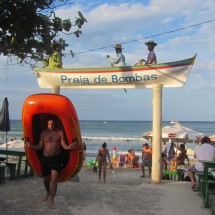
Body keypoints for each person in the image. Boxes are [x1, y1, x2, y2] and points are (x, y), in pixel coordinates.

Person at [25, 119, 77, 208]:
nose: (51, 126)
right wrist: (31, 145)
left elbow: (63, 145)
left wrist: (69, 147)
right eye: (49, 124)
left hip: (56, 159)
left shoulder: (59, 132)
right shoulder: (43, 133)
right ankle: (48, 192)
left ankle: (52, 201)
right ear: (47, 125)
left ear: (55, 124)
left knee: (54, 180)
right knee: (45, 179)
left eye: (52, 124)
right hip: (45, 158)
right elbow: (40, 146)